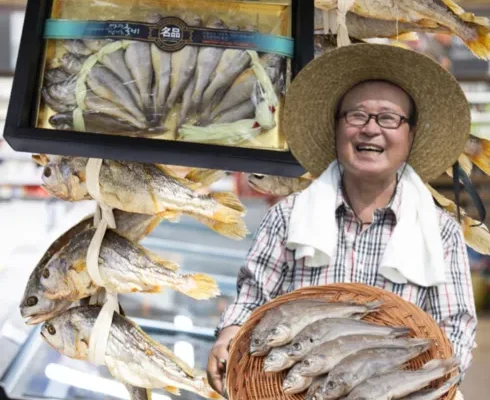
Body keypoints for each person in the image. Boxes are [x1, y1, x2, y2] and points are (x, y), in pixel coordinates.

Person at [206, 43, 477, 396]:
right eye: (357, 115)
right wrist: (230, 333)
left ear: (409, 137)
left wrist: (423, 380)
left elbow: (456, 327)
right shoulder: (287, 217)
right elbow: (254, 296)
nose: (370, 129)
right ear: (336, 129)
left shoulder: (441, 232)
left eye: (388, 118)